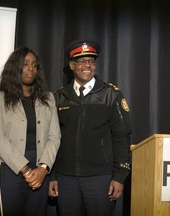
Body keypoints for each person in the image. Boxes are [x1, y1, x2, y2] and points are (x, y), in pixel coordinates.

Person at [48, 39, 132, 216]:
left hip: (100, 179)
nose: (88, 65)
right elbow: (53, 139)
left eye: (91, 61)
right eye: (82, 61)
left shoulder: (111, 94)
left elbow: (122, 137)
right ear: (72, 65)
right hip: (66, 178)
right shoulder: (59, 96)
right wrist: (53, 175)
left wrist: (119, 176)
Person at [0, 47, 61, 216]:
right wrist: (26, 170)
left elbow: (55, 136)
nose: (31, 68)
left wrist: (43, 168)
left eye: (34, 65)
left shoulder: (48, 98)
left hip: (40, 169)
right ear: (15, 67)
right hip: (10, 168)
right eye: (26, 64)